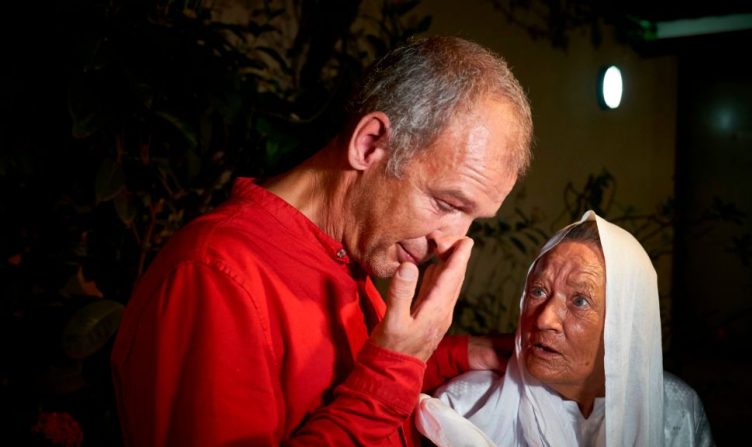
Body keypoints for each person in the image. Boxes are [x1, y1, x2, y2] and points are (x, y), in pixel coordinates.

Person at [110, 36, 533, 446]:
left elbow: (338, 385)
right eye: (446, 203)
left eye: (472, 218)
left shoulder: (347, 253)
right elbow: (374, 391)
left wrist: (461, 355)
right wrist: (392, 369)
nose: (451, 242)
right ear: (369, 145)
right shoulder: (216, 276)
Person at [416, 211, 714, 446]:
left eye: (580, 301)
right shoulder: (466, 407)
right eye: (538, 292)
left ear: (625, 323)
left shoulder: (674, 409)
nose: (544, 319)